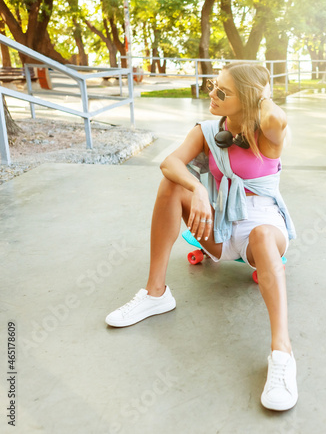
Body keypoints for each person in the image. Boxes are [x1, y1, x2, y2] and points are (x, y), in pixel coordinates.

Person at [105, 62, 298, 411]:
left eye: (223, 92)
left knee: (263, 236)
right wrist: (196, 187)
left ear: (250, 100)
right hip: (222, 223)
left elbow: (277, 119)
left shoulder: (267, 136)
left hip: (264, 222)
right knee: (170, 185)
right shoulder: (208, 130)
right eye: (213, 85)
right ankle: (156, 294)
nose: (213, 94)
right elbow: (170, 162)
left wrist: (261, 95)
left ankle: (282, 355)